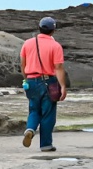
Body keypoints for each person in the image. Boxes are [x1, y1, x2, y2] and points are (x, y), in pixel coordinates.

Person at [22, 17, 68, 153]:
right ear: (53, 30)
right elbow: (58, 67)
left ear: (39, 28)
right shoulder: (55, 46)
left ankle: (30, 129)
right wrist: (63, 86)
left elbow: (22, 64)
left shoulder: (28, 43)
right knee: (48, 113)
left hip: (30, 80)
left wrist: (26, 79)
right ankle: (46, 144)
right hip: (49, 81)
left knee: (34, 109)